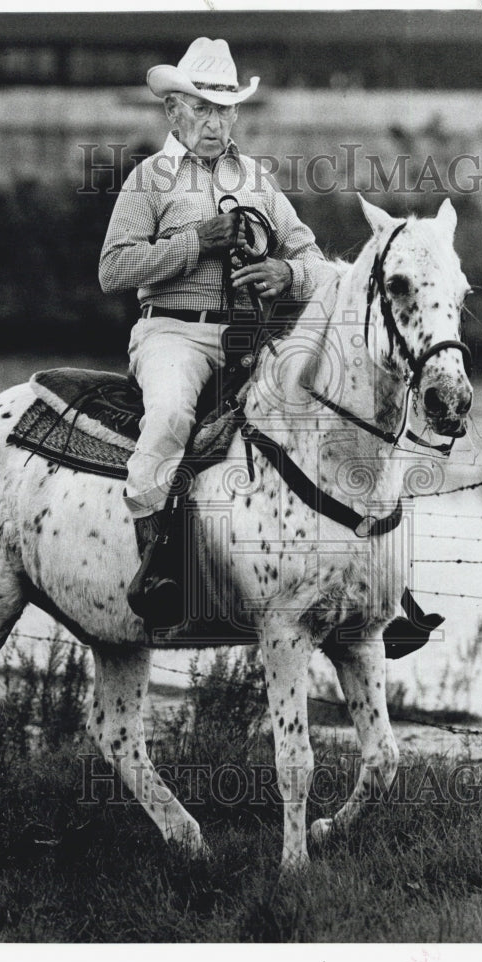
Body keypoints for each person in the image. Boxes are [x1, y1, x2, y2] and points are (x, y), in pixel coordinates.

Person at [99, 37, 334, 626]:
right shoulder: (149, 180)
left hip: (249, 339)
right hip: (172, 334)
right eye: (202, 109)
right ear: (173, 110)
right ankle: (158, 564)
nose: (215, 123)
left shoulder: (257, 180)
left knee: (330, 409)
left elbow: (317, 263)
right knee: (171, 414)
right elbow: (112, 270)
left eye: (225, 110)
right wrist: (195, 243)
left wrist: (286, 273)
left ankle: (348, 574)